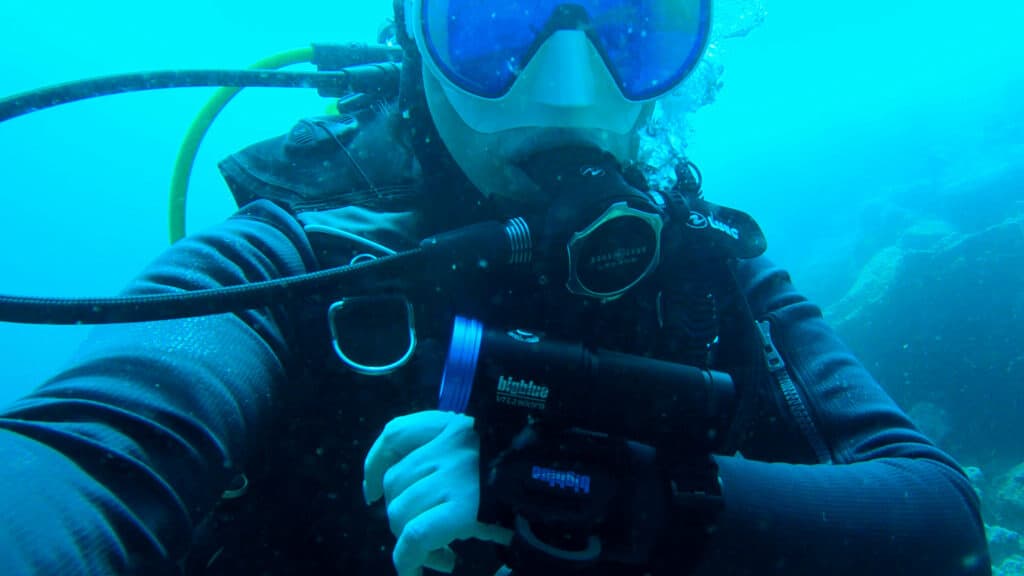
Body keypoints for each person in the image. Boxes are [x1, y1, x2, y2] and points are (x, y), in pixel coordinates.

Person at [0, 0, 990, 574]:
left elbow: (940, 521)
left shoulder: (707, 267)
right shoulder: (289, 261)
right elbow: (86, 456)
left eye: (630, 26)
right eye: (493, 24)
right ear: (412, 44)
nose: (567, 91)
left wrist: (581, 488)